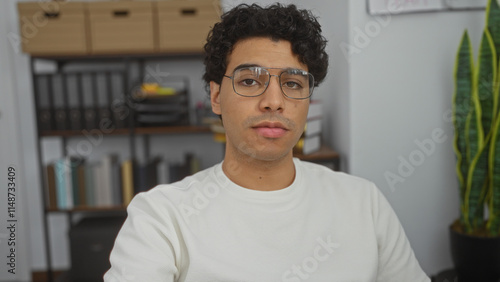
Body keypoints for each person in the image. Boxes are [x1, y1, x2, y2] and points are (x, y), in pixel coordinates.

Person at [104, 3, 430, 282]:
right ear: (216, 96)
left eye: (291, 83)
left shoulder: (364, 203)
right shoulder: (162, 217)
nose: (273, 102)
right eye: (249, 81)